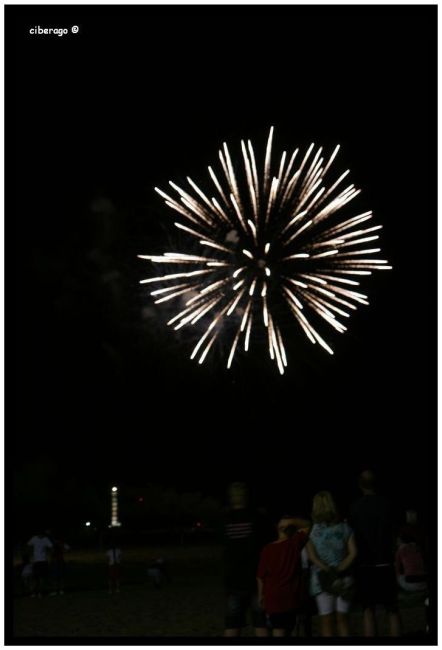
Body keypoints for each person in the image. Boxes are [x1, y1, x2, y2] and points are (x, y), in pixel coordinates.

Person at [349, 470, 401, 637]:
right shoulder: (387, 504)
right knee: (392, 610)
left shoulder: (355, 507)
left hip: (364, 564)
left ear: (360, 484)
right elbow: (395, 533)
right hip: (385, 561)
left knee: (368, 610)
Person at [223, 482, 270, 637]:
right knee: (260, 622)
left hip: (233, 578)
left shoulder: (225, 519)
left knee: (232, 623)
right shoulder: (257, 517)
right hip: (256, 577)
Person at [307, 491, 357, 637]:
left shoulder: (311, 532)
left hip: (322, 580)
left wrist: (328, 569)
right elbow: (353, 553)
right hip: (344, 577)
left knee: (326, 622)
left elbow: (312, 557)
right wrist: (340, 567)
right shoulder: (345, 528)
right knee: (343, 620)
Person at [257, 515, 310, 637]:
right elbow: (308, 525)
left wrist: (261, 595)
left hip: (273, 598)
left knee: (278, 629)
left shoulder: (268, 549)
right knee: (289, 629)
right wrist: (292, 521)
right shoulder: (294, 544)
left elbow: (260, 576)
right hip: (290, 597)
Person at [27, 531, 53, 597]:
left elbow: (51, 547)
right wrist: (31, 556)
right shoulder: (34, 538)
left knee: (42, 578)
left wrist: (49, 556)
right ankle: (35, 592)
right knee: (36, 578)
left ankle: (40, 592)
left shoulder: (45, 539)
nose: (41, 535)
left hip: (43, 561)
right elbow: (28, 546)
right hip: (36, 561)